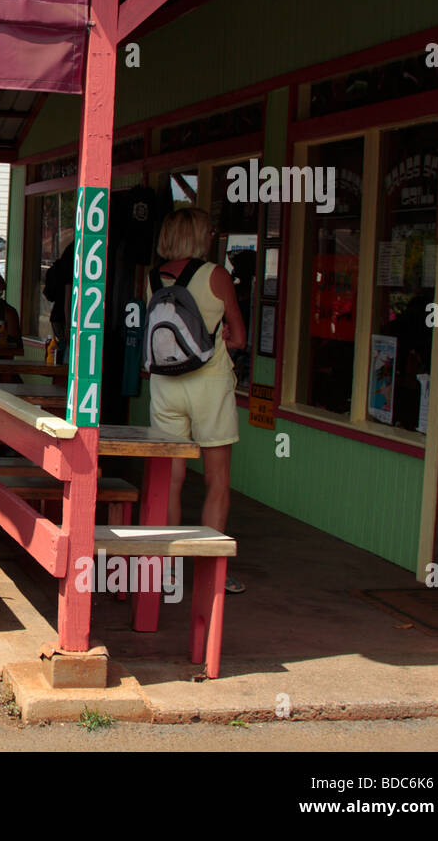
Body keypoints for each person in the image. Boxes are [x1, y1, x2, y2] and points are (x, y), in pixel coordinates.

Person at [147, 208, 248, 593]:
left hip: (165, 384)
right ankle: (210, 571)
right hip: (210, 384)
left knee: (170, 480)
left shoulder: (152, 277)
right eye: (209, 230)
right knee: (216, 478)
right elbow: (238, 337)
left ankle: (168, 569)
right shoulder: (216, 275)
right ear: (197, 236)